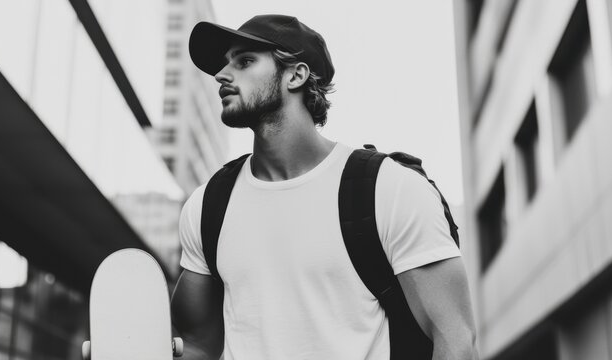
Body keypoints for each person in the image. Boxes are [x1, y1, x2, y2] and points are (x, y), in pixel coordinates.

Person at [171, 14, 478, 360]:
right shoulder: (208, 205)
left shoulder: (388, 190)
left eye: (244, 61)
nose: (221, 76)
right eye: (225, 65)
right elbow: (198, 345)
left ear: (296, 75)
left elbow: (456, 341)